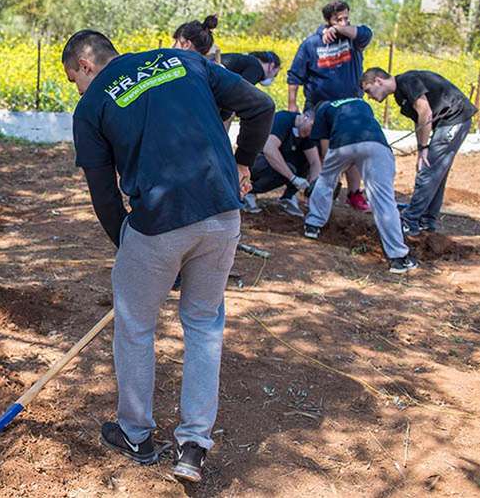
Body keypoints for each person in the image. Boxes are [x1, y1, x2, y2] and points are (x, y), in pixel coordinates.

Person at [64, 30, 274, 482]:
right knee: (202, 324)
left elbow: (104, 196)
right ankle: (194, 446)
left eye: (73, 80)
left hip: (157, 223)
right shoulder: (183, 61)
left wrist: (132, 252)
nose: (77, 90)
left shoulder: (92, 104)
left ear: (84, 65)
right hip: (222, 213)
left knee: (135, 324)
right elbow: (262, 106)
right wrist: (243, 163)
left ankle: (136, 433)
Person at [303, 98, 418, 273]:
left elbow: (326, 150)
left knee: (325, 180)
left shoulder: (323, 108)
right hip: (376, 144)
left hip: (342, 144)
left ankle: (313, 225)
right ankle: (398, 258)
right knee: (383, 198)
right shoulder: (361, 102)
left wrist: (335, 169)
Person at [361, 67, 478, 235]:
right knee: (436, 171)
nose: (369, 97)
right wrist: (420, 150)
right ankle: (426, 220)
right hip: (448, 120)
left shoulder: (407, 81)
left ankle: (409, 221)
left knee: (429, 171)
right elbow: (419, 120)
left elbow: (425, 111)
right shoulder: (399, 95)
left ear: (378, 81)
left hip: (455, 116)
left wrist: (424, 148)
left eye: (368, 91)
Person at [287, 0, 374, 212]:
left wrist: (338, 29)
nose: (344, 22)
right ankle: (315, 194)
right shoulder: (311, 44)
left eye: (346, 18)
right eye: (338, 19)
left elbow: (366, 33)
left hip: (351, 107)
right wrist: (292, 104)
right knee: (321, 155)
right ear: (327, 20)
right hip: (320, 107)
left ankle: (354, 194)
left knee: (353, 150)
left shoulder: (353, 40)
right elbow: (295, 76)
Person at [243, 109, 320, 217]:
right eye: (312, 126)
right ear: (304, 118)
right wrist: (293, 178)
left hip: (280, 161)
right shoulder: (283, 119)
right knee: (287, 168)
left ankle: (288, 197)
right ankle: (249, 191)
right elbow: (269, 149)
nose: (311, 132)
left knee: (305, 160)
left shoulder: (307, 134)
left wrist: (313, 188)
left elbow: (314, 162)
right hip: (256, 160)